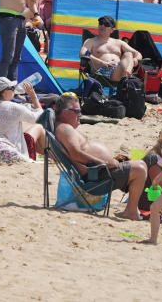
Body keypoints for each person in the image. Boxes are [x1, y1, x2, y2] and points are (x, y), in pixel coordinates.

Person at [55, 91, 148, 221]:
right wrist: (103, 163)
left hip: (99, 171)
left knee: (143, 163)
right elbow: (76, 154)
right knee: (140, 168)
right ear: (65, 112)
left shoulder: (64, 128)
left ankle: (133, 209)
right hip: (96, 176)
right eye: (76, 111)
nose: (80, 114)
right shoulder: (65, 129)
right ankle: (131, 211)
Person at [0, 77, 44, 160]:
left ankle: (52, 156)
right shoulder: (14, 108)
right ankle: (55, 156)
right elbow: (39, 118)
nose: (14, 90)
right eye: (12, 88)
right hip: (10, 153)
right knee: (39, 127)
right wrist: (33, 97)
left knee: (26, 131)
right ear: (5, 92)